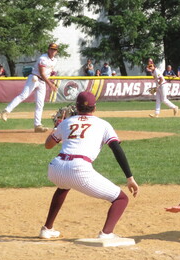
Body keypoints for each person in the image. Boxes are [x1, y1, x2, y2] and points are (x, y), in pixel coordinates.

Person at [40, 91, 139, 239]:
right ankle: (106, 233)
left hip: (56, 167)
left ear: (76, 107)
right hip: (79, 168)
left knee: (63, 186)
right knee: (121, 199)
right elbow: (116, 149)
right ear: (95, 108)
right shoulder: (103, 124)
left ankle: (47, 229)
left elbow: (48, 145)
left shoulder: (67, 122)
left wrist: (57, 128)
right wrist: (129, 177)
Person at [1, 43, 59, 132]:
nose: (52, 51)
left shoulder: (55, 60)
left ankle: (37, 125)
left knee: (40, 104)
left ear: (56, 51)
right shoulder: (43, 58)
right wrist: (51, 85)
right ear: (48, 49)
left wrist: (52, 77)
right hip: (34, 78)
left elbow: (49, 73)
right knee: (23, 95)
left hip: (42, 82)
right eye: (51, 49)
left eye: (54, 50)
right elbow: (42, 73)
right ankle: (6, 111)